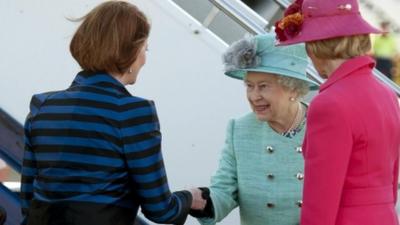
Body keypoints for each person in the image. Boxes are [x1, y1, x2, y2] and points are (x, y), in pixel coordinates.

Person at [20, 1, 204, 225]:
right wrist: (190, 198)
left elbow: (28, 200)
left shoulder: (43, 106)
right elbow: (161, 210)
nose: (144, 58)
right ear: (132, 52)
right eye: (145, 48)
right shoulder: (134, 113)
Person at [275, 0, 400, 224]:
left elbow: (320, 201)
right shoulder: (387, 95)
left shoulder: (330, 103)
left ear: (315, 45)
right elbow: (391, 183)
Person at [189, 33, 318, 225]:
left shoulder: (323, 129)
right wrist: (202, 201)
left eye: (263, 86)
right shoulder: (240, 130)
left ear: (292, 88)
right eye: (249, 86)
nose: (254, 96)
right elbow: (225, 190)